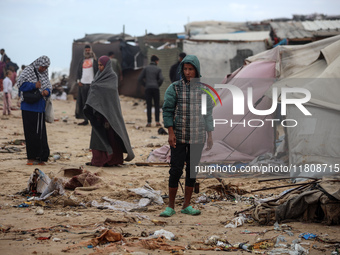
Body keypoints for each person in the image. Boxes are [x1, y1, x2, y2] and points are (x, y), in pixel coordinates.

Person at [160, 55, 214, 217]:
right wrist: (170, 132)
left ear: (196, 70)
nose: (188, 72)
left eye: (191, 69)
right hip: (179, 135)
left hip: (197, 136)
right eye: (185, 69)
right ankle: (170, 206)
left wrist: (209, 135)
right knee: (176, 170)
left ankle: (186, 205)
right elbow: (168, 110)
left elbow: (208, 114)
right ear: (182, 70)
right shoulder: (174, 88)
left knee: (192, 170)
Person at [84, 55, 135, 167]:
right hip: (98, 112)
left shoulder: (112, 76)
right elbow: (95, 89)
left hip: (109, 114)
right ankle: (98, 160)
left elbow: (110, 92)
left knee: (111, 137)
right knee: (98, 136)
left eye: (102, 65)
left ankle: (112, 160)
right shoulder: (98, 76)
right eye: (98, 65)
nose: (100, 67)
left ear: (107, 65)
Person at [17, 56, 52, 165]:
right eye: (42, 67)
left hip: (39, 107)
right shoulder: (28, 71)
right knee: (29, 133)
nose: (44, 69)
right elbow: (20, 85)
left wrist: (47, 91)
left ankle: (41, 158)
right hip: (27, 106)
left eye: (46, 67)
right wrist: (34, 85)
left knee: (40, 133)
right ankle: (31, 158)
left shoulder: (45, 73)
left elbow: (49, 86)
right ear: (38, 64)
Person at [138, 55, 164, 127]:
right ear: (156, 61)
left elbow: (140, 78)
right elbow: (161, 79)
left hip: (148, 88)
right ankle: (157, 122)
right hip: (155, 88)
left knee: (149, 105)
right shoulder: (158, 69)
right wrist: (157, 84)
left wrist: (145, 85)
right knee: (156, 105)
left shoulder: (146, 68)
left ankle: (149, 122)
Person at [75, 45, 98, 126]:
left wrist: (96, 82)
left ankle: (93, 120)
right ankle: (85, 120)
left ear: (91, 50)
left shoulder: (94, 61)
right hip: (83, 84)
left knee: (93, 102)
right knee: (84, 102)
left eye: (89, 50)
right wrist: (78, 81)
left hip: (92, 84)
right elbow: (78, 71)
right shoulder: (82, 61)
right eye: (86, 50)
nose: (87, 51)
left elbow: (98, 72)